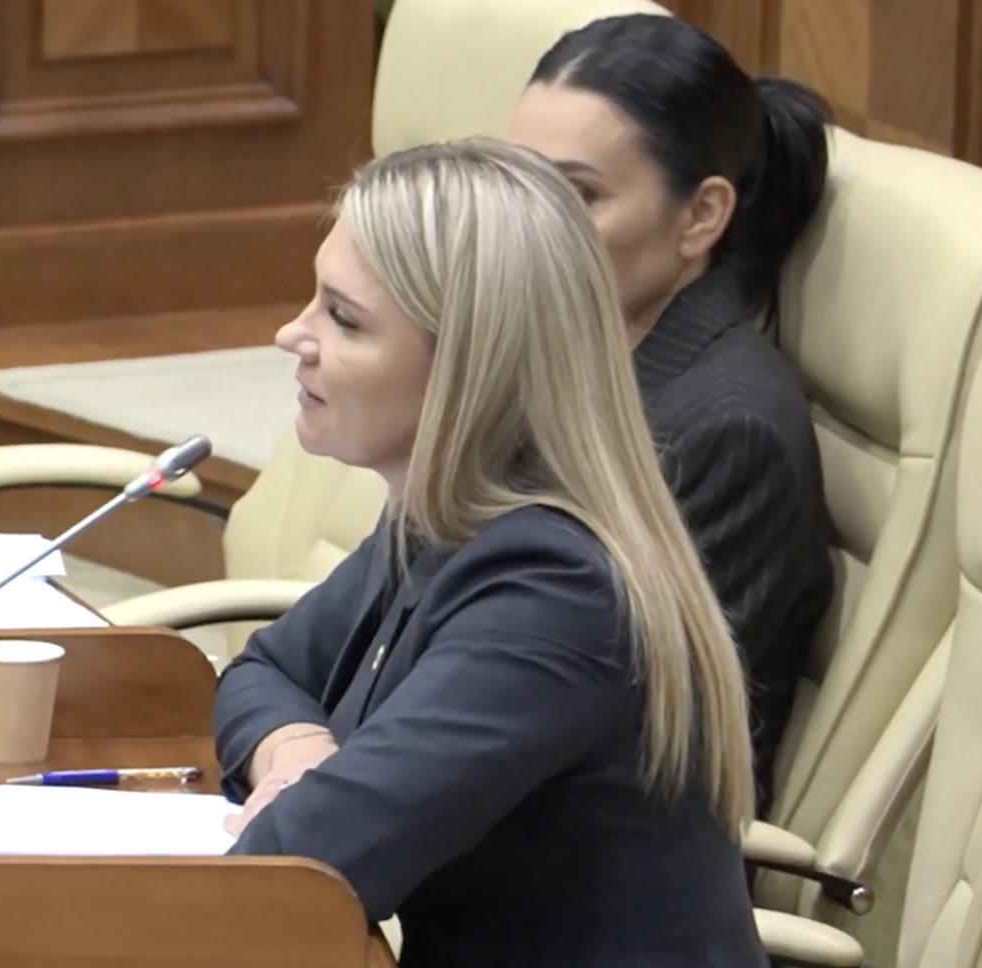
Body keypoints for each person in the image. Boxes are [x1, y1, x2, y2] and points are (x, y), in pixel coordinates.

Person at [214, 138, 766, 967]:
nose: (293, 333)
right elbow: (263, 669)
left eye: (345, 319)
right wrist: (296, 752)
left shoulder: (552, 592)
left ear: (469, 365)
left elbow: (296, 872)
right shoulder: (444, 516)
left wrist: (306, 797)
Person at [506, 13, 835, 812]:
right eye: (519, 186)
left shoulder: (727, 431)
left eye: (577, 195)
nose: (528, 225)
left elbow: (602, 731)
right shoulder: (544, 352)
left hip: (588, 858)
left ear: (701, 216)